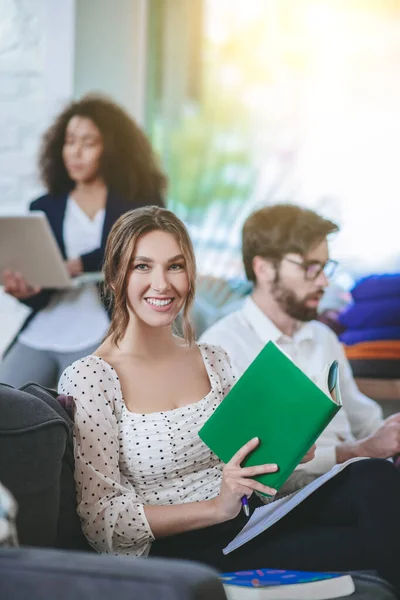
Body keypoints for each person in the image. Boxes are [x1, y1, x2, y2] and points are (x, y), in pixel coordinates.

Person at [59, 206, 400, 593]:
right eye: (142, 266)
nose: (162, 283)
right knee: (371, 539)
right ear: (116, 275)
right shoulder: (90, 377)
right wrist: (215, 508)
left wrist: (283, 455)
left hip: (248, 522)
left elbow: (244, 472)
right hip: (179, 549)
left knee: (371, 476)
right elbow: (101, 520)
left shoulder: (212, 358)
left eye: (175, 266)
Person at [200, 203, 400, 489]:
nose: (323, 281)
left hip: (357, 477)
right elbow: (256, 465)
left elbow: (366, 421)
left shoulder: (323, 336)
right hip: (299, 494)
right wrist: (358, 452)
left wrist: (388, 435)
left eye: (325, 266)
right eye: (310, 267)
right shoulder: (221, 348)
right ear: (264, 268)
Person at [0, 94, 165, 388]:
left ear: (111, 150)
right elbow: (43, 290)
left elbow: (137, 250)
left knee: (81, 411)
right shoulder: (44, 206)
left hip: (99, 326)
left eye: (88, 143)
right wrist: (24, 290)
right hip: (45, 325)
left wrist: (79, 264)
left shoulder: (137, 202)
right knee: (8, 399)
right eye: (70, 141)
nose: (75, 152)